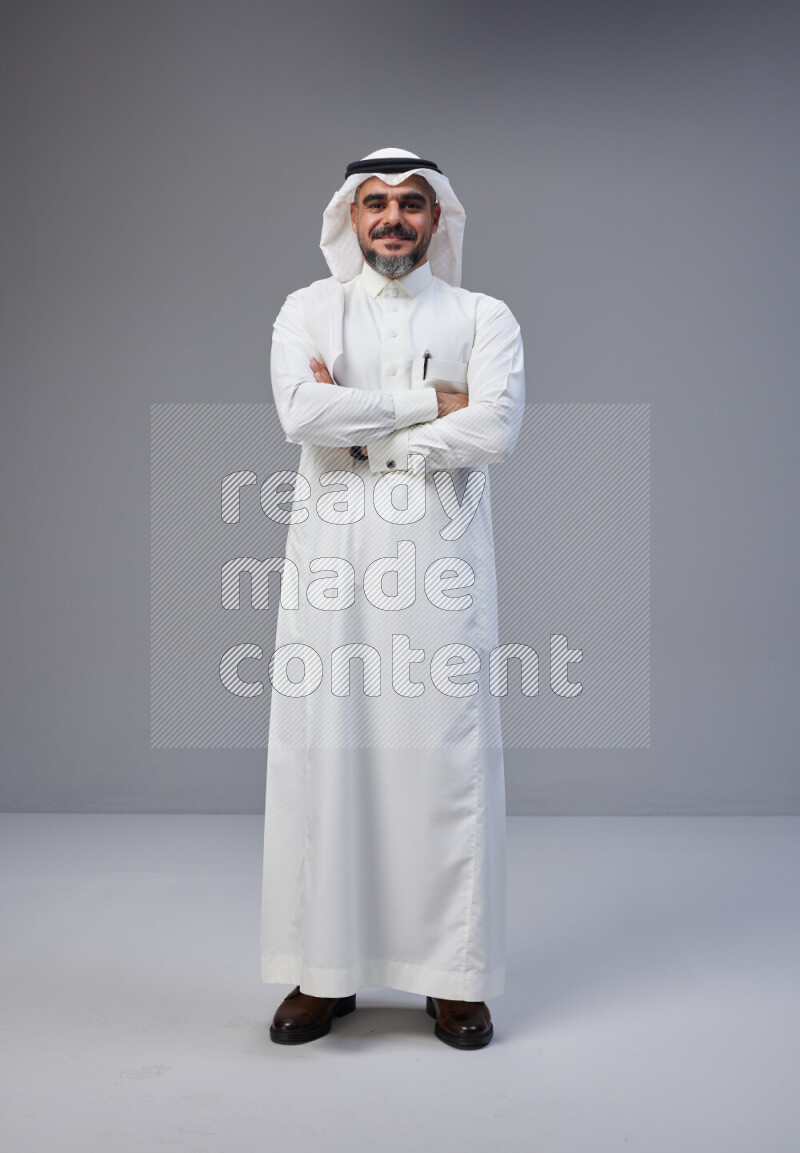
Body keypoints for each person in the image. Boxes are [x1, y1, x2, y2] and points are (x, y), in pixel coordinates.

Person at [261, 147, 525, 1049]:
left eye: (412, 203)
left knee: (443, 763)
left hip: (439, 569)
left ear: (437, 217)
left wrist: (369, 431)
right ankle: (321, 971)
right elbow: (301, 415)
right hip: (334, 566)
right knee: (326, 755)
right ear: (351, 216)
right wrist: (428, 404)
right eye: (375, 203)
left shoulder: (483, 315)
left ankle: (455, 978)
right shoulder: (308, 308)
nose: (393, 218)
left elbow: (496, 427)